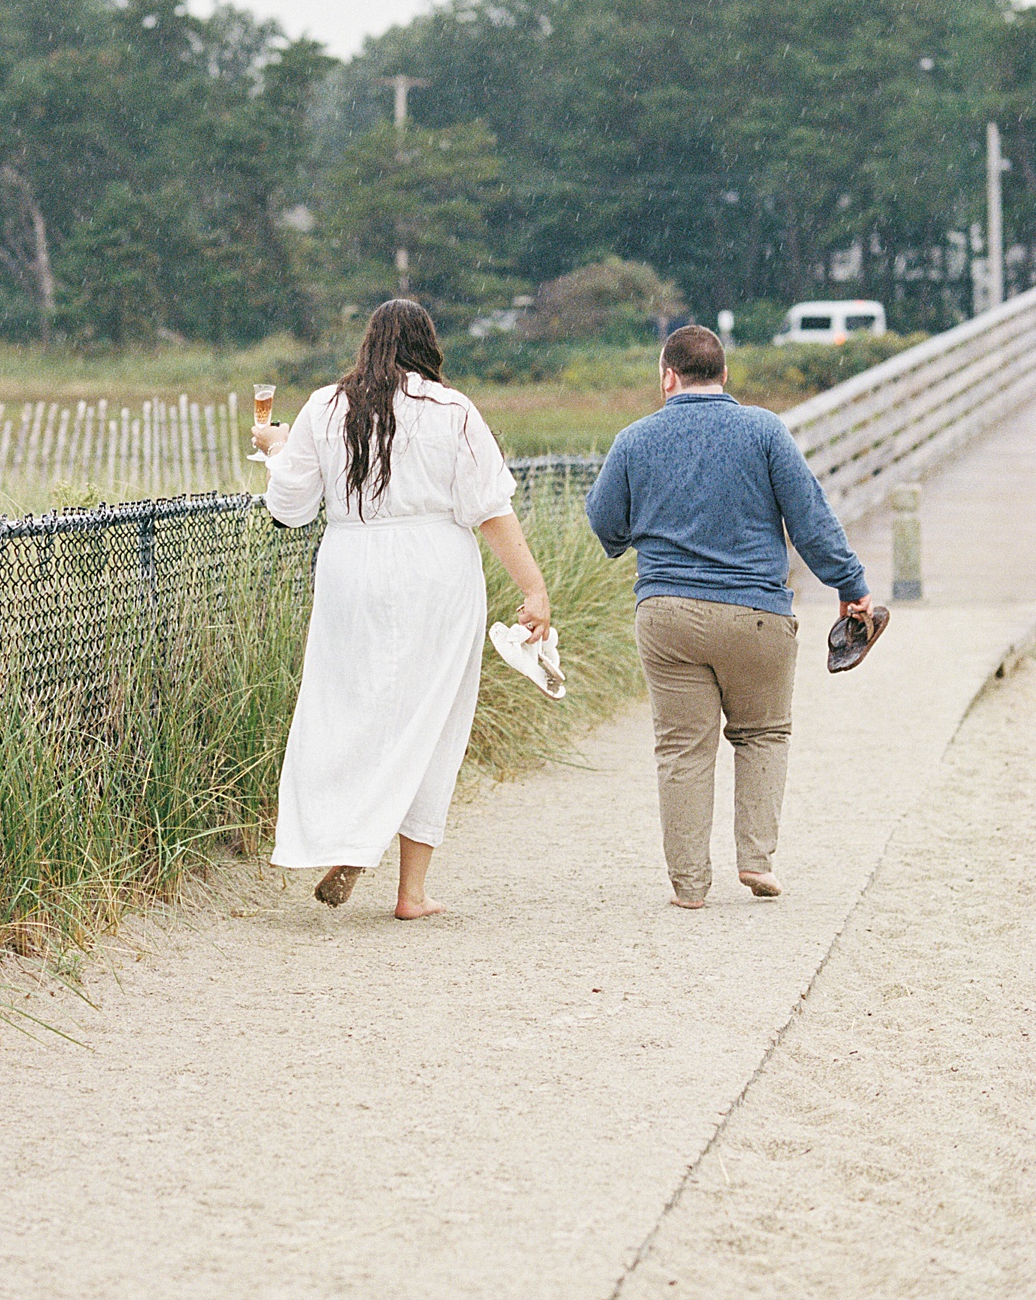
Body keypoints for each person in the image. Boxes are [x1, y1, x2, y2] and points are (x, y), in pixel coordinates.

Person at [253, 299, 551, 919]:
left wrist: (277, 452)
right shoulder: (453, 409)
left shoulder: (324, 406)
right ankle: (411, 893)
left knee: (346, 705)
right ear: (428, 345)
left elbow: (291, 507)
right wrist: (533, 588)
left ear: (367, 344)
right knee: (434, 717)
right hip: (436, 567)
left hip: (350, 565)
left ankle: (349, 834)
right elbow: (491, 510)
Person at [585, 324, 874, 909]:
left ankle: (689, 886)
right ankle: (757, 862)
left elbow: (604, 523)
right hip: (756, 613)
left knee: (682, 749)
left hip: (666, 613)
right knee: (763, 733)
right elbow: (810, 520)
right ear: (725, 375)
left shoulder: (634, 439)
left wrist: (634, 535)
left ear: (667, 376)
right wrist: (850, 586)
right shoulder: (763, 430)